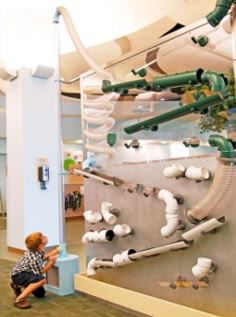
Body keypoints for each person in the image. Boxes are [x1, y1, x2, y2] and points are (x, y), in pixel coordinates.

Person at [10, 231, 60, 309]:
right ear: (40, 245)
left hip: (25, 273)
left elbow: (42, 258)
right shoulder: (34, 258)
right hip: (19, 274)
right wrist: (51, 262)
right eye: (43, 237)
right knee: (42, 280)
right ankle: (20, 299)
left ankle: (17, 285)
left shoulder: (37, 251)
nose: (45, 236)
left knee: (41, 294)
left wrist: (52, 253)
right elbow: (41, 272)